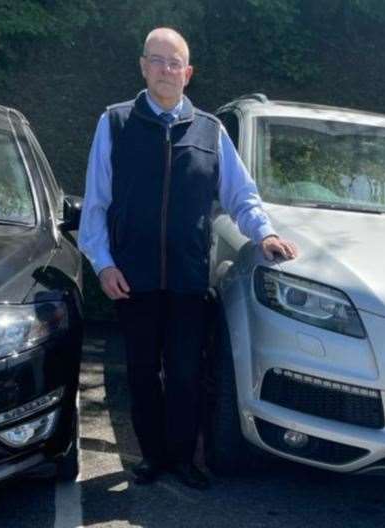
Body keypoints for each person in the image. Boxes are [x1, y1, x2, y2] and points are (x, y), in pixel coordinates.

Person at [78, 27, 297, 489]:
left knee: (184, 375)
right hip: (131, 277)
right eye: (156, 60)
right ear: (142, 66)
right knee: (141, 374)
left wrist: (265, 234)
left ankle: (181, 458)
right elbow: (96, 203)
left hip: (187, 278)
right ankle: (152, 457)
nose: (165, 69)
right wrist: (103, 263)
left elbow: (241, 196)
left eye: (174, 62)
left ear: (188, 73)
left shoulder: (210, 131)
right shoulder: (115, 123)